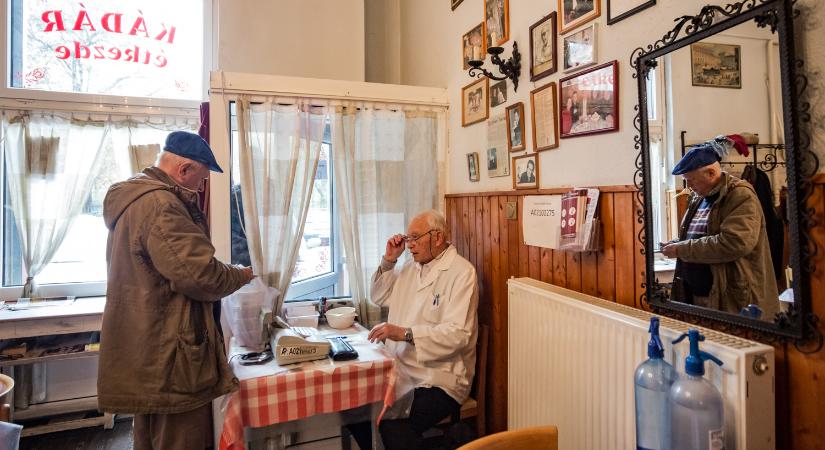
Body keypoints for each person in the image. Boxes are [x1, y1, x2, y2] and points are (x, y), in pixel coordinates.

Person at [98, 131, 255, 450]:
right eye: (201, 177)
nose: (202, 186)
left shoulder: (135, 198)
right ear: (184, 169)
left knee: (150, 435)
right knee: (183, 438)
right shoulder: (162, 206)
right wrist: (240, 274)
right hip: (170, 354)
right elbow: (200, 276)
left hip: (146, 346)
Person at [350, 210, 479, 450]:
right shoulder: (410, 267)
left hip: (440, 378)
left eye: (415, 238)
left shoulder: (462, 273)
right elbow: (379, 296)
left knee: (390, 423)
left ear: (437, 237)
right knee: (354, 410)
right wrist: (389, 260)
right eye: (408, 239)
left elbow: (459, 335)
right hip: (400, 369)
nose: (409, 245)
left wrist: (404, 333)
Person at [662, 141, 779, 318]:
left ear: (711, 173)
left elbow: (734, 243)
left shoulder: (740, 195)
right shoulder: (698, 197)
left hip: (730, 298)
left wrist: (681, 249)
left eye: (691, 180)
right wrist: (679, 244)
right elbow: (704, 236)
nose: (688, 186)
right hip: (698, 294)